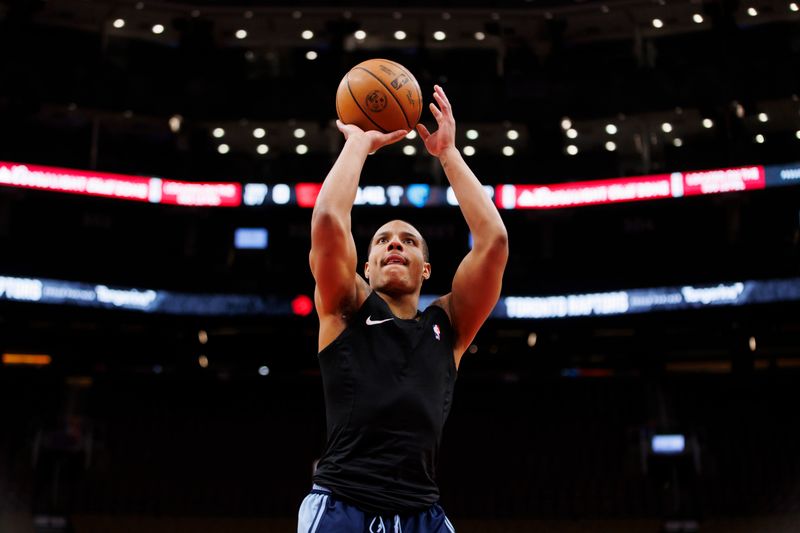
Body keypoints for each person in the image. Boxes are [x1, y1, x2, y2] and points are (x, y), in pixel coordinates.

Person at [299, 85, 509, 532]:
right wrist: (358, 144)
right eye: (382, 241)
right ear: (367, 267)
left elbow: (494, 242)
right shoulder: (345, 308)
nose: (395, 243)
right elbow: (327, 223)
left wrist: (448, 153)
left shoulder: (448, 326)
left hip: (423, 513)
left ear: (426, 269)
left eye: (408, 241)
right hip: (343, 505)